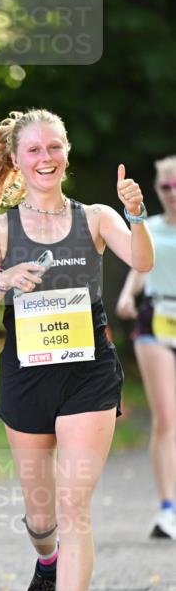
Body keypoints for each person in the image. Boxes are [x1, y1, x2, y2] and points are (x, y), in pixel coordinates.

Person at [0, 109, 154, 591]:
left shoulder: (93, 217)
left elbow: (141, 260)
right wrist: (2, 282)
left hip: (89, 373)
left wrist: (136, 213)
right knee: (43, 515)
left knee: (74, 508)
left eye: (54, 148)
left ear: (66, 153)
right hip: (26, 375)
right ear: (16, 160)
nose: (46, 159)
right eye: (34, 150)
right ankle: (46, 561)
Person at [116, 154, 176, 540]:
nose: (172, 193)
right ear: (156, 189)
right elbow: (140, 266)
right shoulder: (149, 226)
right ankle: (168, 507)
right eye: (165, 187)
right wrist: (126, 297)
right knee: (167, 418)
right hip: (156, 320)